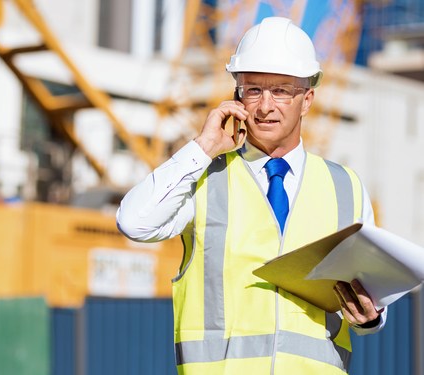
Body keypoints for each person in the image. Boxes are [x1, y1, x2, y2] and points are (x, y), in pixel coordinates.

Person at [117, 16, 386, 375]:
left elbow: (373, 294)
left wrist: (372, 317)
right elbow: (134, 223)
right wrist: (203, 147)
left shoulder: (346, 187)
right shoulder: (204, 177)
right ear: (236, 96)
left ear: (306, 101)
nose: (264, 106)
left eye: (281, 91)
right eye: (253, 90)